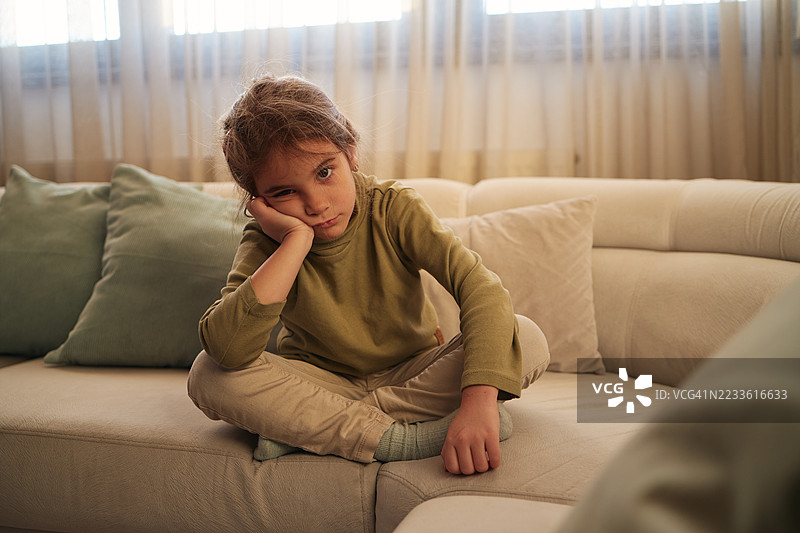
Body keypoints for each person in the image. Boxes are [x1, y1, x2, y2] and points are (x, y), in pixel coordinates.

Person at [187, 73, 550, 475]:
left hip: (414, 372)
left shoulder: (392, 208)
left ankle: (312, 430)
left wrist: (478, 402)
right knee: (208, 374)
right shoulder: (266, 238)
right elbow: (227, 347)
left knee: (527, 335)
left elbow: (480, 289)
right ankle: (401, 439)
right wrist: (294, 243)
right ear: (258, 199)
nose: (316, 205)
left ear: (350, 151)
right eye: (285, 192)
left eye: (325, 173)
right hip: (321, 382)